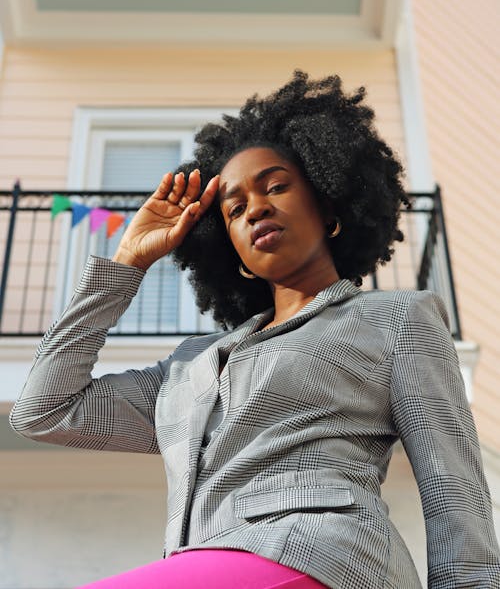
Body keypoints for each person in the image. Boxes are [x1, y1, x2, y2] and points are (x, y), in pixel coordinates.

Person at [10, 72, 500, 589]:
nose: (256, 209)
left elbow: (455, 493)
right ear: (234, 252)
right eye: (235, 209)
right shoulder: (189, 367)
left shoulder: (396, 320)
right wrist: (127, 265)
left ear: (328, 206)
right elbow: (44, 410)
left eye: (276, 186)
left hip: (322, 558)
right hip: (207, 563)